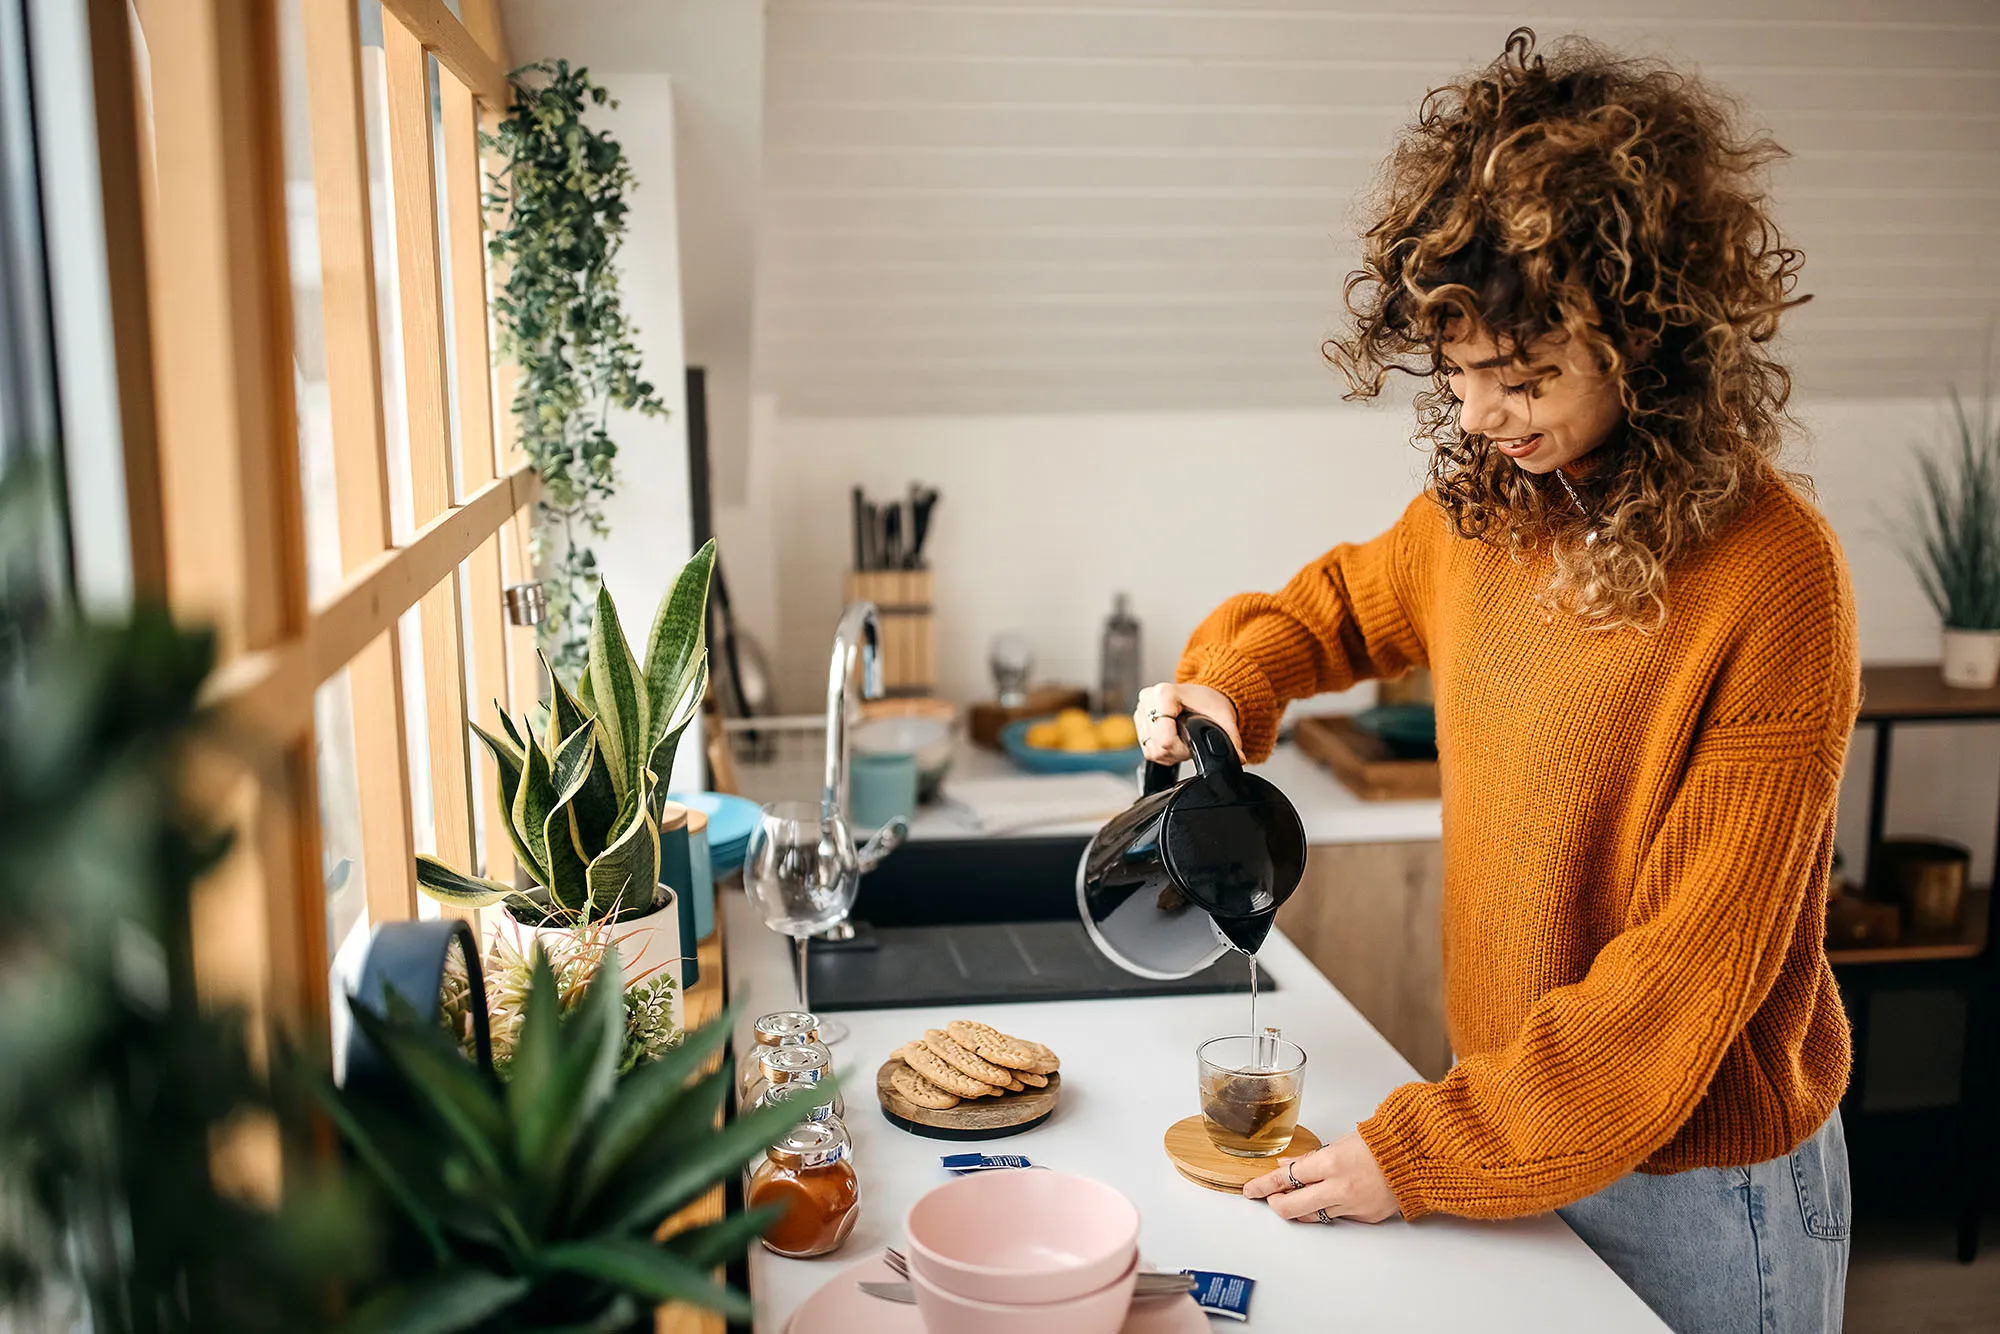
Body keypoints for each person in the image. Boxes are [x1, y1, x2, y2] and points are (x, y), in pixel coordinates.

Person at [1135, 29, 1855, 1334]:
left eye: (1519, 377)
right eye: (1459, 372)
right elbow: (1335, 608)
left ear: (1649, 343)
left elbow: (1679, 983)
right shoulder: (1497, 512)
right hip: (1512, 1131)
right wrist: (1229, 690)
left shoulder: (1775, 576)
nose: (1476, 416)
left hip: (1696, 1187)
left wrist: (1418, 1149)